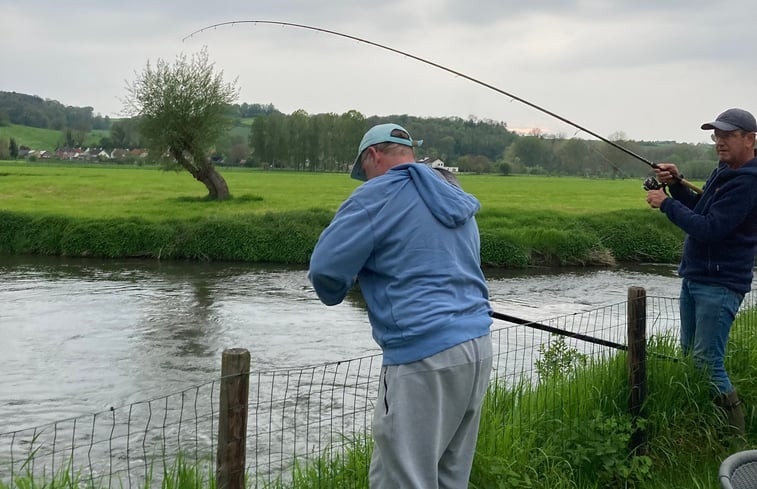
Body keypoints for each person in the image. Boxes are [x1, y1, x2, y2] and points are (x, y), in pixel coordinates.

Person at [308, 123, 493, 488]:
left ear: (374, 156)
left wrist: (351, 281)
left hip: (422, 354)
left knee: (402, 480)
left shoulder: (376, 195)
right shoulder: (452, 192)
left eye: (364, 173)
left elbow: (326, 273)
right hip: (477, 345)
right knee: (448, 478)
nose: (366, 182)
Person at [646, 108, 757, 434]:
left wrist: (665, 203)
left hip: (720, 284)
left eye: (727, 135)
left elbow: (710, 228)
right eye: (716, 135)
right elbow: (702, 208)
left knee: (708, 364)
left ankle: (734, 438)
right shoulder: (725, 172)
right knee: (691, 361)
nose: (719, 142)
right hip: (697, 277)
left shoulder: (748, 184)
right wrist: (677, 184)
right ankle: (702, 429)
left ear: (750, 139)